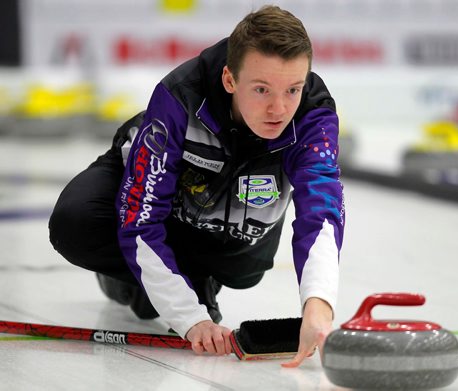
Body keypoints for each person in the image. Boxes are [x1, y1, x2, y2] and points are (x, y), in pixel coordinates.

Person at [49, 5, 345, 367]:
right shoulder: (179, 97)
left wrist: (318, 305)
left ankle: (184, 277)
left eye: (293, 89)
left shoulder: (314, 115)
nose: (279, 109)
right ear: (229, 80)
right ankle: (161, 280)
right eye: (262, 89)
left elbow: (323, 211)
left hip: (234, 222)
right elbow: (141, 219)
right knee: (73, 223)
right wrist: (192, 319)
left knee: (244, 274)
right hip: (161, 202)